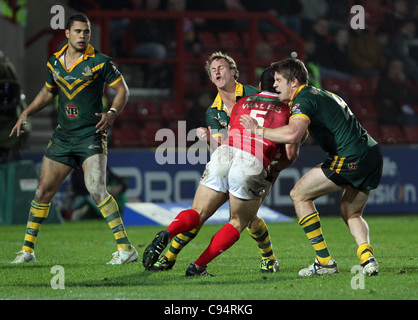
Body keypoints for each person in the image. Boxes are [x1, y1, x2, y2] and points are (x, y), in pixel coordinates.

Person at [142, 67, 300, 276]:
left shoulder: (242, 103)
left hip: (225, 152)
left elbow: (231, 132)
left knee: (198, 213)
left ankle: (167, 233)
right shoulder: (289, 110)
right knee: (238, 221)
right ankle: (198, 265)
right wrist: (274, 168)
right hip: (251, 160)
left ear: (260, 86)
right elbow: (289, 153)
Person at [9, 13, 138, 264]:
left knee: (97, 190)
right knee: (43, 191)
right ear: (67, 33)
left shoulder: (100, 62)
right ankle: (27, 251)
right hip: (63, 136)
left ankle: (126, 249)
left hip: (91, 133)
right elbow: (48, 92)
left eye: (86, 32)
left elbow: (122, 90)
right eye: (78, 31)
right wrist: (26, 111)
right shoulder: (54, 62)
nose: (82, 36)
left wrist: (112, 113)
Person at [240, 58, 382, 277]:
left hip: (350, 156)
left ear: (294, 81)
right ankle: (367, 258)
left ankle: (324, 262)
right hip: (372, 154)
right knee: (351, 212)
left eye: (278, 80)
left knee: (299, 194)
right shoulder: (322, 94)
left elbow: (293, 133)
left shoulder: (303, 99)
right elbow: (302, 136)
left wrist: (258, 131)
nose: (275, 85)